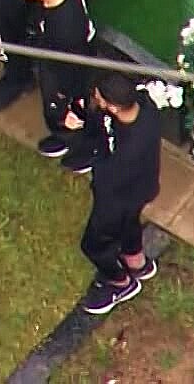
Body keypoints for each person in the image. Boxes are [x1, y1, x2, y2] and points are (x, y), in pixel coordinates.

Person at [78, 72, 162, 315]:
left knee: (94, 244)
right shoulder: (146, 108)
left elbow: (108, 178)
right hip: (143, 188)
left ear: (113, 107)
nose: (95, 98)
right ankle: (136, 261)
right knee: (129, 224)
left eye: (99, 98)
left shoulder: (127, 151)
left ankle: (119, 282)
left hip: (117, 196)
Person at [13, 0, 98, 173]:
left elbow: (67, 75)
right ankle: (62, 135)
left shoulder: (65, 29)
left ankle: (86, 149)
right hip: (58, 61)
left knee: (73, 111)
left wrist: (64, 101)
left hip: (69, 71)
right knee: (56, 108)